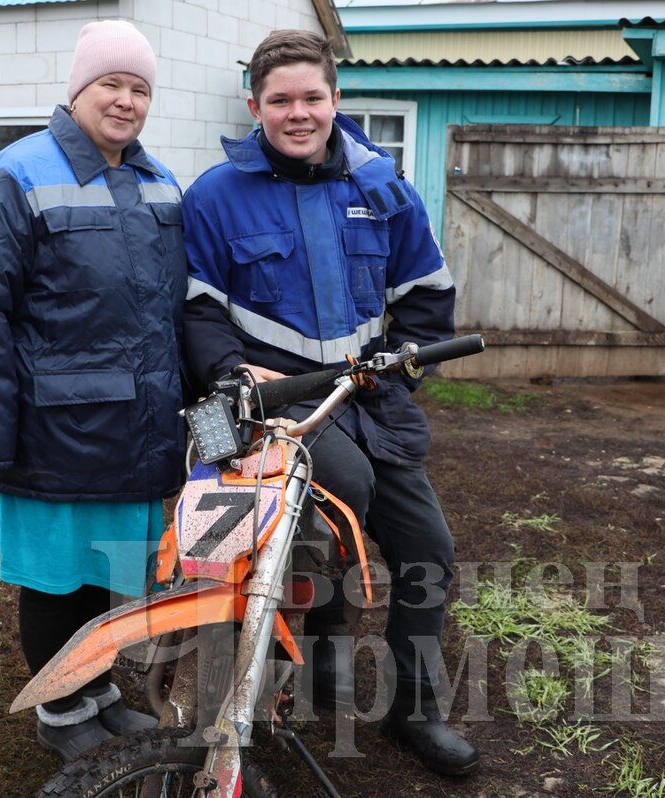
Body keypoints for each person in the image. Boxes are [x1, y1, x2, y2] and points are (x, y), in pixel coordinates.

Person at [181, 29, 478, 776]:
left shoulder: (383, 189)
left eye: (312, 97)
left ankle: (414, 713)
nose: (298, 113)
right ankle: (313, 657)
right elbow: (197, 309)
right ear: (255, 106)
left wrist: (397, 372)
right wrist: (233, 375)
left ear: (336, 101)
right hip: (281, 410)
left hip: (370, 402)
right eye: (280, 100)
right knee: (337, 502)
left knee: (428, 552)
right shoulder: (216, 197)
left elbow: (427, 297)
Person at [0, 20, 186, 764]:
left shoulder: (158, 181)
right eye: (111, 83)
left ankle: (98, 691)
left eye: (140, 88)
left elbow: (176, 311)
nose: (126, 100)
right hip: (53, 432)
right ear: (77, 90)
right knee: (54, 584)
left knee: (109, 576)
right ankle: (60, 709)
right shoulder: (14, 176)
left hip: (136, 427)